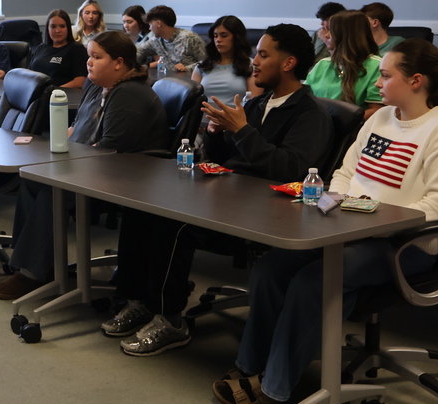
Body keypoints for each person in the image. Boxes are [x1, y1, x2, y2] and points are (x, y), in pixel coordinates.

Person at [214, 39, 438, 404]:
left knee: (314, 281)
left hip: (404, 245)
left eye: (385, 76)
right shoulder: (382, 118)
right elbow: (345, 172)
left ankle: (274, 387)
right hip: (348, 227)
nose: (378, 84)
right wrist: (332, 203)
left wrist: (373, 218)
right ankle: (250, 366)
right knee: (271, 267)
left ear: (416, 80)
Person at [107, 24, 331, 354]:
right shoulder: (257, 105)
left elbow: (289, 170)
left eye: (264, 54)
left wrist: (240, 131)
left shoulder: (311, 115)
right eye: (256, 53)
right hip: (233, 198)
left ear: (289, 63)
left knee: (175, 222)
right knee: (143, 206)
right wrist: (216, 134)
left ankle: (170, 319)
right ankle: (139, 299)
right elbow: (229, 158)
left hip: (268, 213)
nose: (254, 60)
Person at [0, 31, 170, 300]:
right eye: (89, 56)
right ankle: (31, 264)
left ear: (119, 63)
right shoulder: (98, 85)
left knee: (52, 191)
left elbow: (109, 151)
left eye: (96, 57)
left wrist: (66, 160)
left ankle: (32, 273)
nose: (89, 63)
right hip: (91, 164)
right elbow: (79, 129)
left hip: (124, 178)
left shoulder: (130, 95)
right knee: (31, 177)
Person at [305, 10, 384, 119]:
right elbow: (304, 100)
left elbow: (377, 110)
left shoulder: (377, 66)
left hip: (352, 132)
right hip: (317, 127)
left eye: (331, 31)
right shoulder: (322, 64)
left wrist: (335, 125)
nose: (326, 36)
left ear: (346, 36)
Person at [191, 15, 260, 106]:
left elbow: (254, 104)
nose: (218, 40)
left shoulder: (250, 66)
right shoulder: (203, 66)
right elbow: (191, 100)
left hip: (234, 118)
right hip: (203, 117)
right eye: (215, 36)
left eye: (224, 36)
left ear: (237, 38)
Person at [28, 9, 88, 88]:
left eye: (62, 26)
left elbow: (80, 81)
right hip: (35, 95)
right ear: (48, 29)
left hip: (61, 96)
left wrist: (54, 92)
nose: (57, 30)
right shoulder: (42, 47)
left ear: (68, 28)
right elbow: (28, 74)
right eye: (53, 26)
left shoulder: (76, 49)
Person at [135, 4, 206, 70]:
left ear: (158, 23)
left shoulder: (190, 38)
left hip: (189, 80)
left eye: (150, 24)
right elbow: (139, 50)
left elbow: (208, 62)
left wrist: (187, 68)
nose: (150, 28)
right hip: (168, 80)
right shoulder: (156, 41)